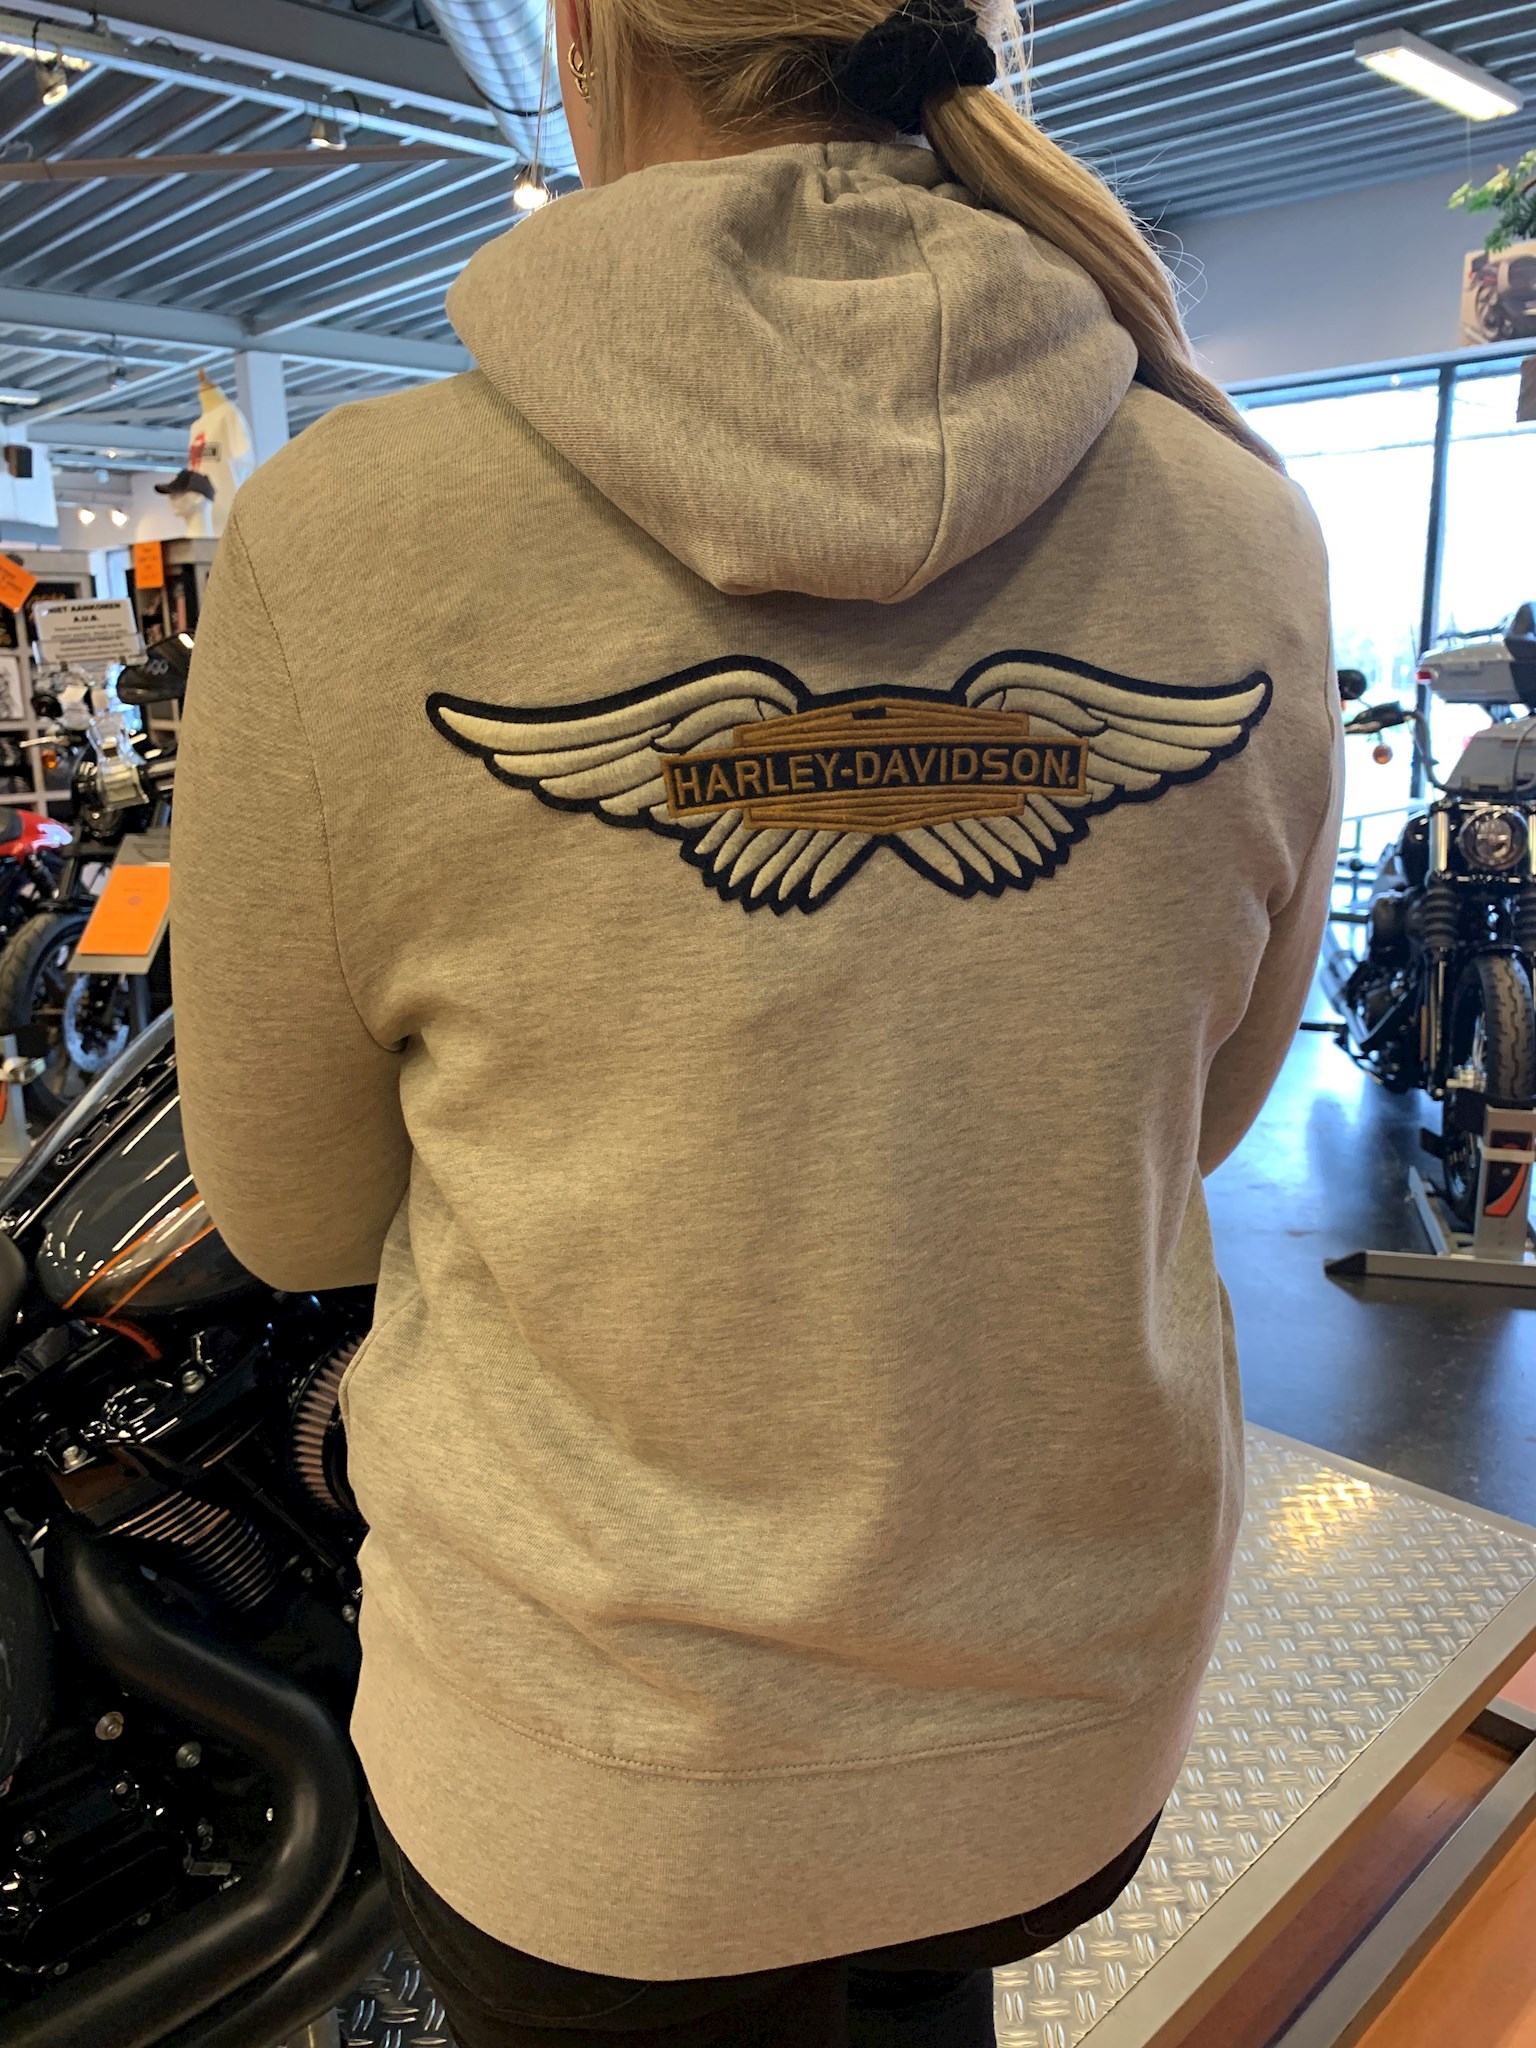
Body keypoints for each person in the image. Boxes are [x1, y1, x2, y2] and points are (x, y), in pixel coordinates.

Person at [170, 1, 1342, 2043]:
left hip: (599, 1771)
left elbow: (289, 1212)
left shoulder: (341, 534)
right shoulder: (1241, 519)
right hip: (1061, 1724)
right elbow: (1206, 1108)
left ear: (583, 37)